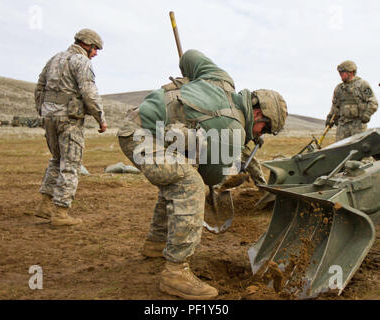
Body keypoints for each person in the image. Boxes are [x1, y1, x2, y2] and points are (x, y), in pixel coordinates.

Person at [117, 49, 287, 300]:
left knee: (177, 174)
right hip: (142, 138)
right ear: (259, 113)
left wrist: (193, 88)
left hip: (138, 124)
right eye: (265, 129)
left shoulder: (221, 79)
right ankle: (175, 272)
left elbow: (189, 57)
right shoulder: (234, 131)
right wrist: (223, 169)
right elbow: (211, 178)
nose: (260, 135)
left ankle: (156, 243)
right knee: (190, 183)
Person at [30, 28, 107, 226]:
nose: (96, 53)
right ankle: (61, 213)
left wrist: (44, 110)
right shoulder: (81, 62)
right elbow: (89, 93)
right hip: (69, 119)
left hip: (49, 117)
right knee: (71, 164)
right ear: (87, 45)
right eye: (95, 49)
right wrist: (100, 118)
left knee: (56, 159)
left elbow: (39, 86)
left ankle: (45, 205)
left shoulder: (54, 59)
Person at [326, 60, 378, 141]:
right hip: (342, 126)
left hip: (358, 125)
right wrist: (330, 118)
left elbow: (373, 102)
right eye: (339, 73)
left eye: (342, 72)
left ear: (350, 72)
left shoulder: (362, 85)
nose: (340, 75)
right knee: (340, 150)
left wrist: (367, 115)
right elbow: (335, 106)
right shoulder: (339, 88)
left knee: (358, 150)